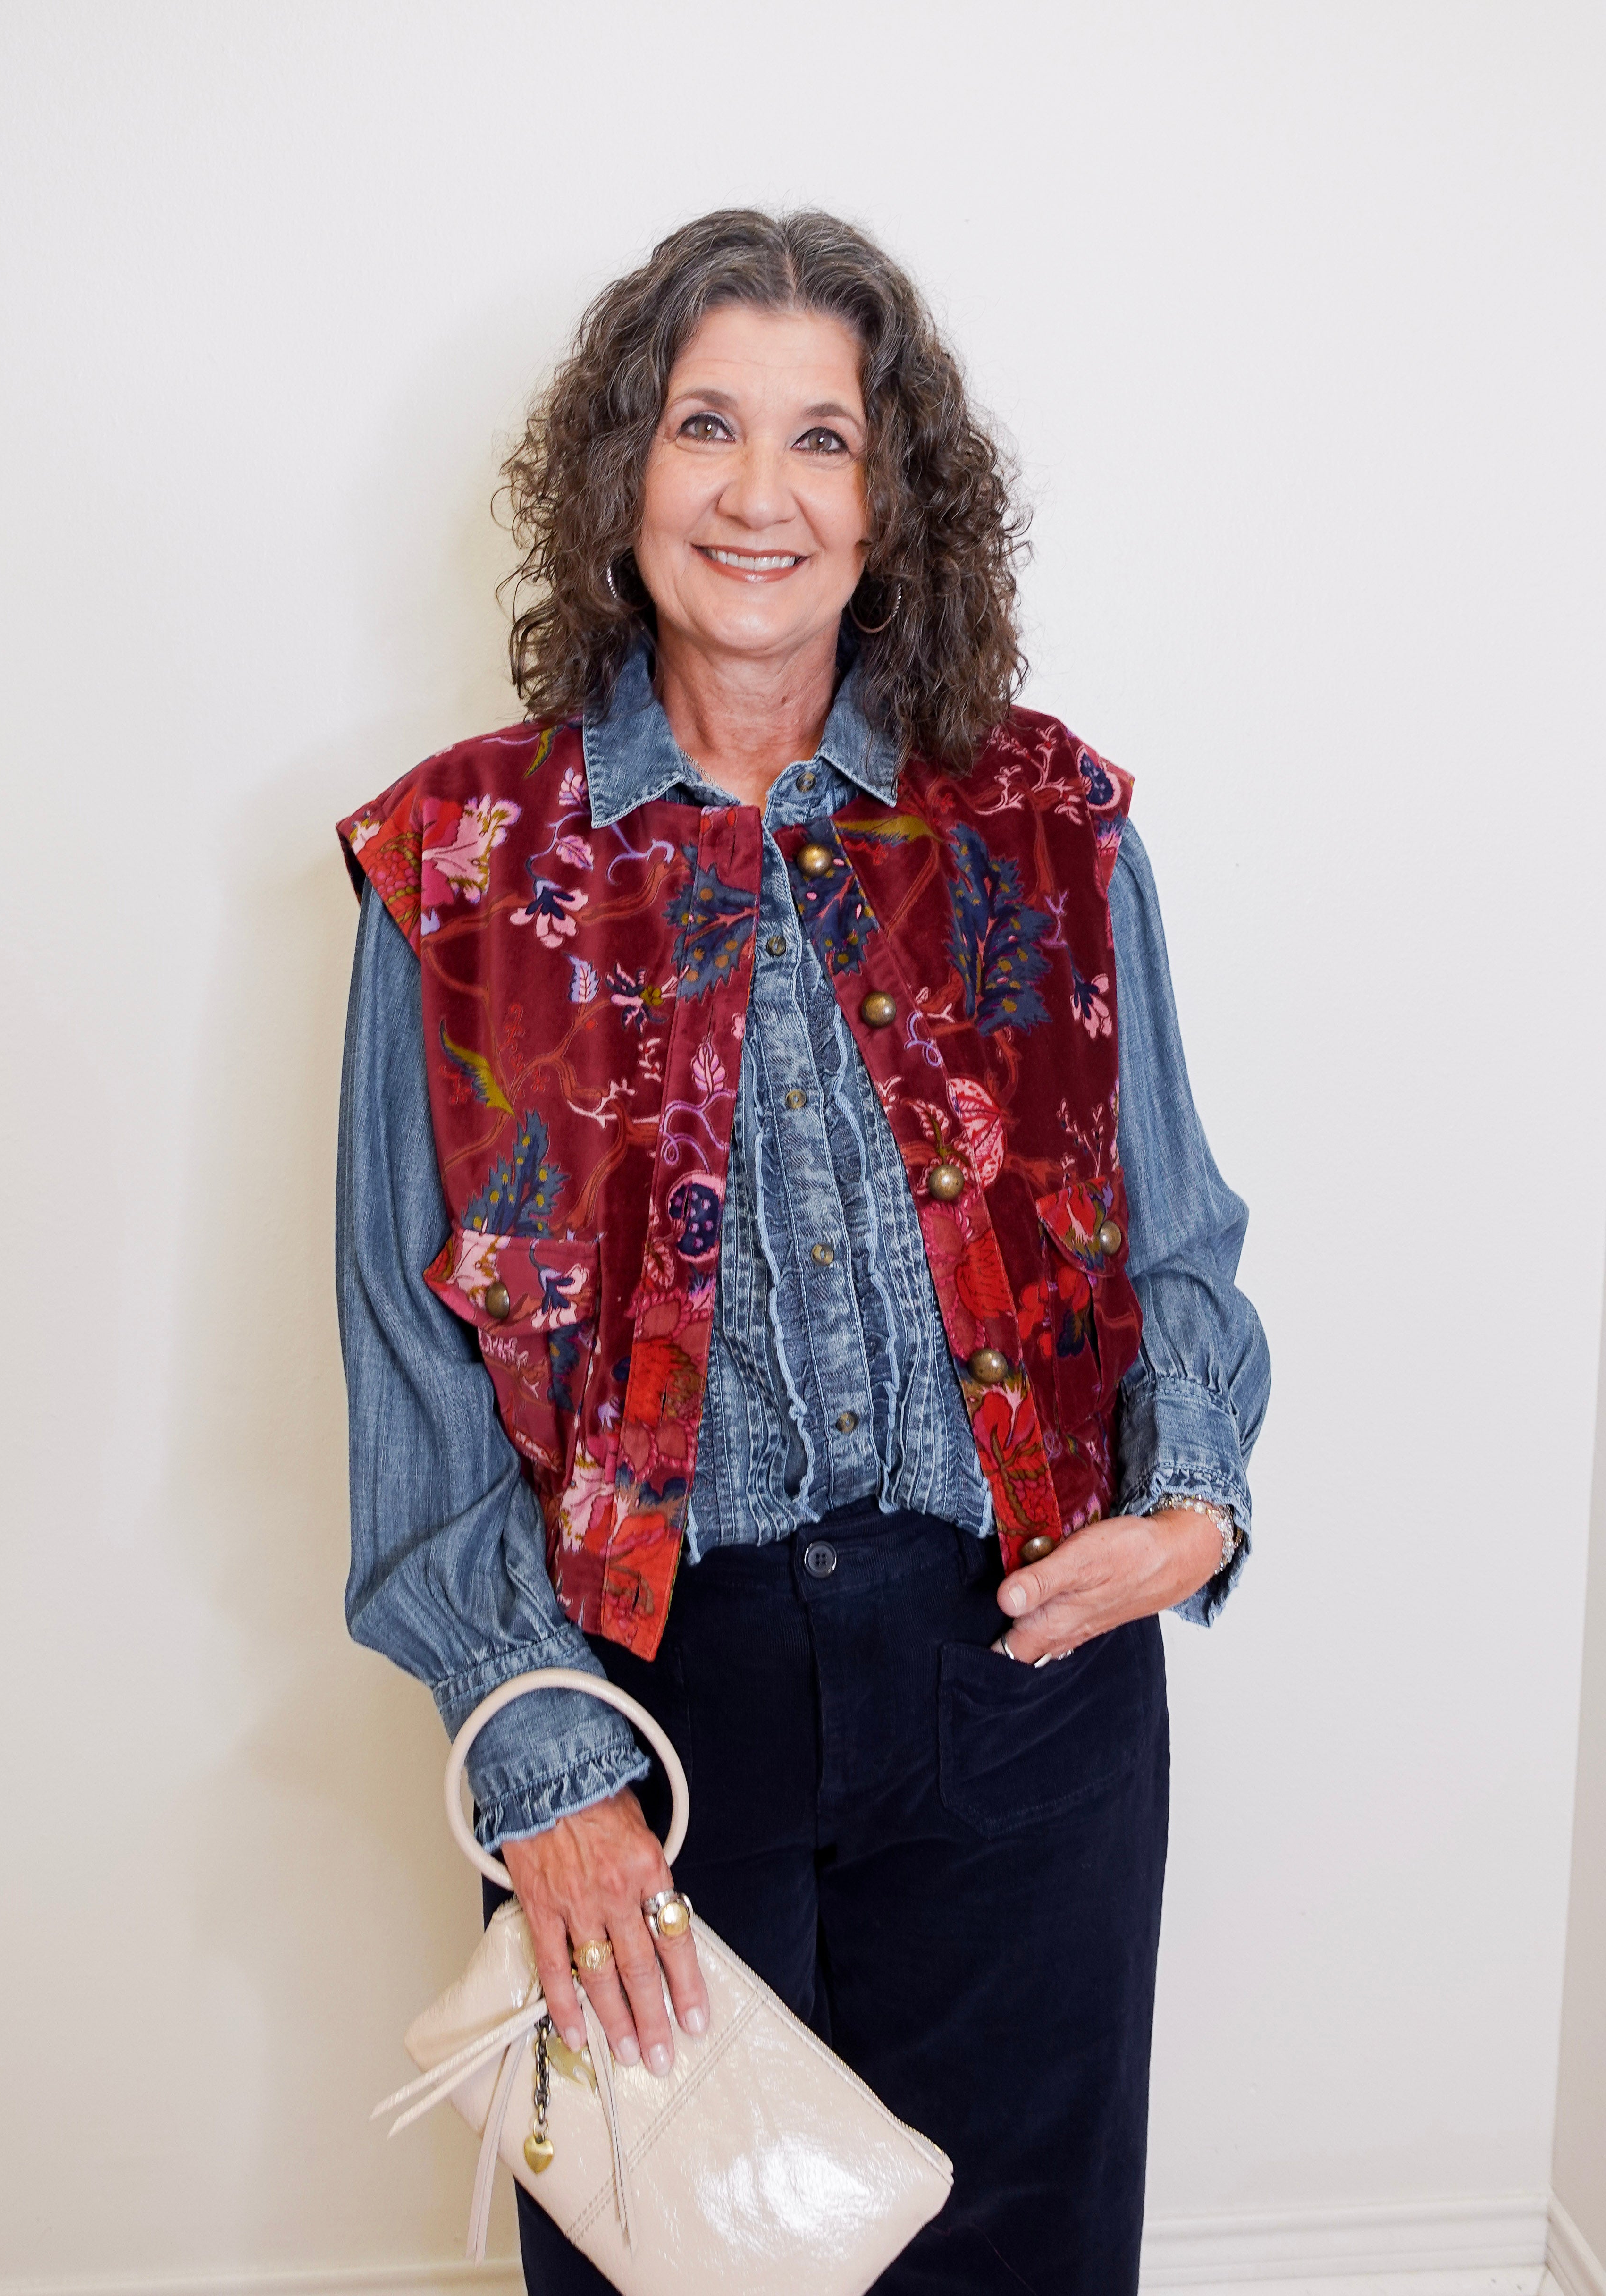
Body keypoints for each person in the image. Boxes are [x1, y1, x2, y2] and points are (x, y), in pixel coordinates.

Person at [336, 208, 1269, 2296]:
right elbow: (407, 1361)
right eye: (705, 428)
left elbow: (1180, 1227)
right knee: (676, 2260)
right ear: (621, 479)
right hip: (648, 1706)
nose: (761, 494)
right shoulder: (462, 867)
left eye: (823, 440)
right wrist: (541, 1761)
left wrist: (1190, 1503)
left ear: (891, 503)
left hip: (1020, 1669)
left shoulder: (1049, 818)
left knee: (1020, 2260)